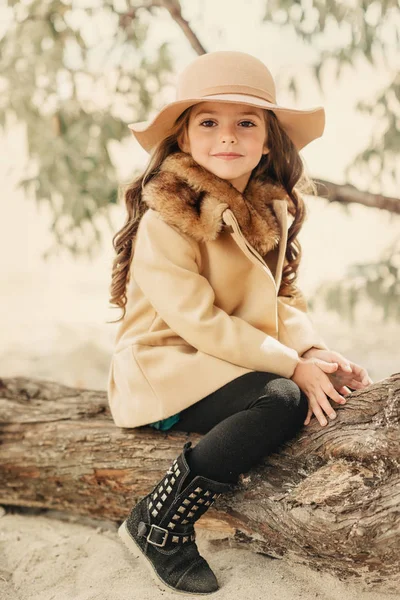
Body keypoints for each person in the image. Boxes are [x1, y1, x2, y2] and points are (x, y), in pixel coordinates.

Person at [106, 51, 373, 595]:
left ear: (268, 140)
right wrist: (291, 366)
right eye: (209, 122)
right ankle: (159, 523)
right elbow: (198, 321)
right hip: (166, 368)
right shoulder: (167, 221)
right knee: (280, 398)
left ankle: (163, 517)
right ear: (183, 140)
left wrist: (313, 349)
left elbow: (279, 300)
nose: (227, 136)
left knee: (290, 395)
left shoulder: (267, 209)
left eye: (245, 123)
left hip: (222, 360)